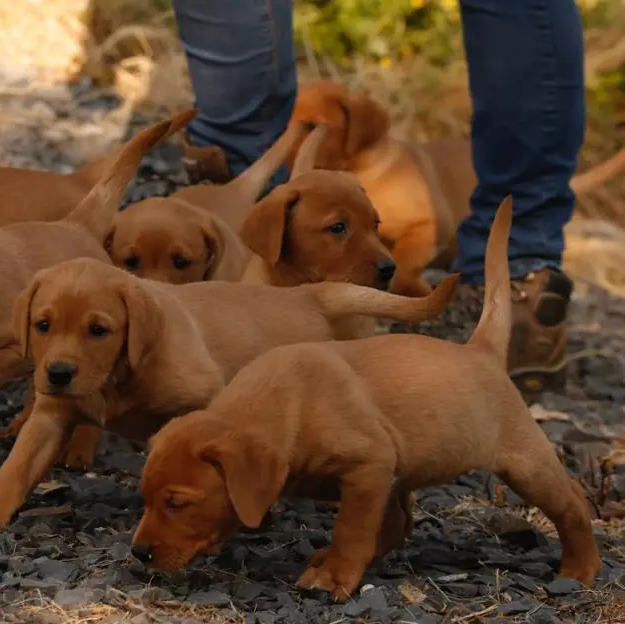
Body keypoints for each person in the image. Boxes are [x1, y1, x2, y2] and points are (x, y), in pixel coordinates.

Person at [169, 0, 585, 400]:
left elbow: (421, 226)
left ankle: (229, 197)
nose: (296, 143)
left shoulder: (381, 178)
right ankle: (520, 284)